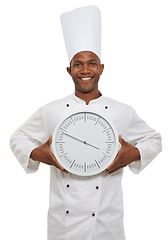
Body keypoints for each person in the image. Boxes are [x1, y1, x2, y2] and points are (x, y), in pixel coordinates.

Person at [10, 6, 162, 240]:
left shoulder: (122, 111)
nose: (85, 70)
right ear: (69, 70)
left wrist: (132, 154)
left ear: (101, 68)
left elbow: (154, 140)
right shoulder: (52, 110)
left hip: (106, 222)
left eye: (92, 63)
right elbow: (18, 138)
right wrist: (40, 153)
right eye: (78, 64)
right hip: (64, 225)